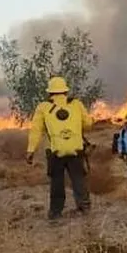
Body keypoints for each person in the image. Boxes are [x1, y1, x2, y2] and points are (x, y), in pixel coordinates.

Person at [26, 75, 93, 221]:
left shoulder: (43, 107)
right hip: (76, 149)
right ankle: (84, 207)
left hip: (55, 152)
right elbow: (88, 124)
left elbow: (36, 131)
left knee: (57, 182)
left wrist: (31, 150)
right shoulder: (76, 104)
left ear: (50, 92)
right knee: (78, 179)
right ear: (65, 91)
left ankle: (56, 213)